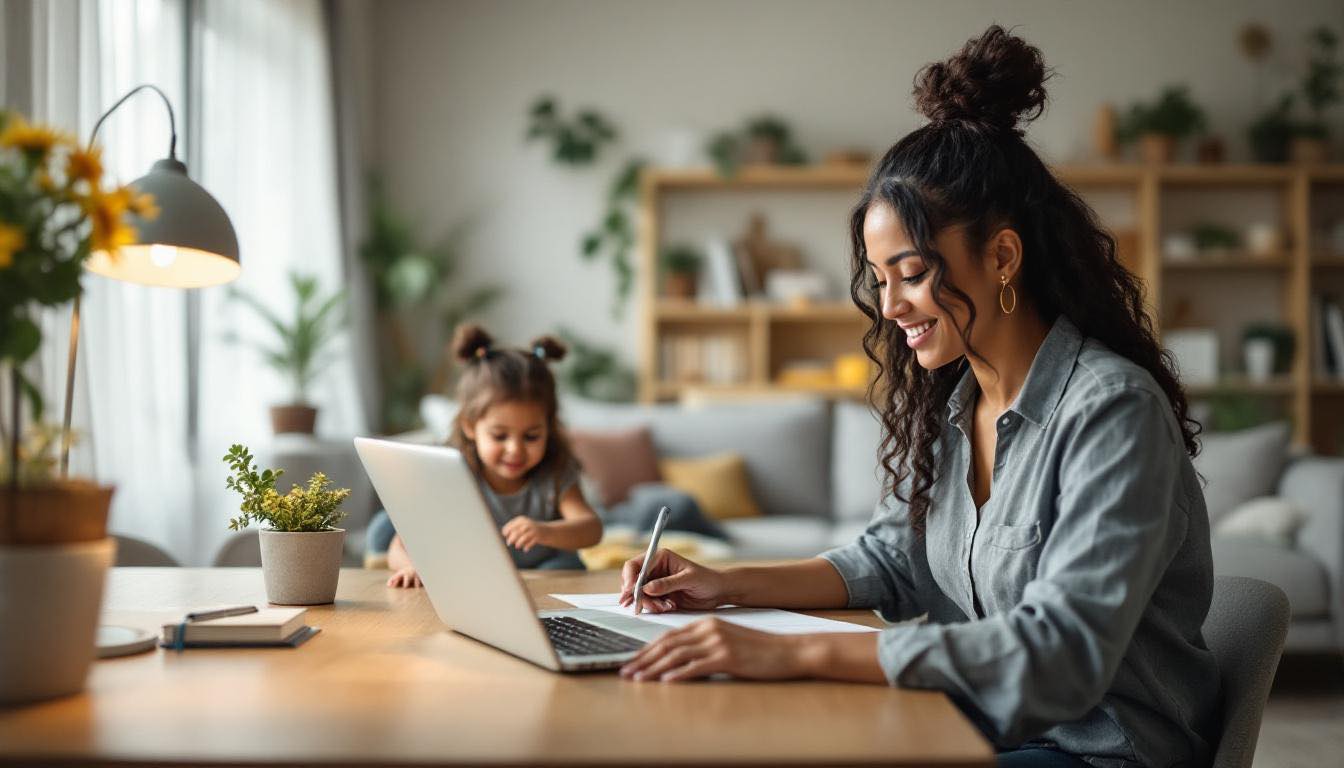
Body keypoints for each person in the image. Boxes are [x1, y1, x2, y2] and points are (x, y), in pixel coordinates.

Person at [615, 26, 1219, 768]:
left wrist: (796, 654)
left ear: (1001, 256)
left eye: (910, 271)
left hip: (1099, 751)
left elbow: (1060, 656)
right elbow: (894, 563)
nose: (891, 304)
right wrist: (723, 585)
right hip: (983, 728)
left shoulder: (1111, 411)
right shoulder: (958, 401)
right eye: (880, 278)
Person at [385, 325, 602, 587]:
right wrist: (411, 567)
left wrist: (545, 532)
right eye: (500, 436)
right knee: (386, 528)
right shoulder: (451, 470)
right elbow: (399, 545)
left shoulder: (554, 470)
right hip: (475, 572)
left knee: (569, 566)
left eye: (532, 436)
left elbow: (591, 528)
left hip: (541, 567)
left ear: (549, 427)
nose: (515, 450)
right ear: (469, 426)